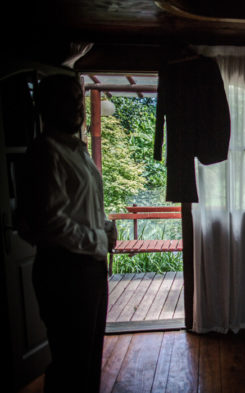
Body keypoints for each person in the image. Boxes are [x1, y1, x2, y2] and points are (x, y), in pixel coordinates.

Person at [18, 74, 117, 393]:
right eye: (69, 98)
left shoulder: (78, 151)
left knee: (88, 359)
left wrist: (105, 224)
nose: (78, 105)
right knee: (71, 364)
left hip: (88, 267)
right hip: (65, 272)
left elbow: (83, 205)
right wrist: (100, 239)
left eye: (79, 98)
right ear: (48, 106)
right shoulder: (46, 153)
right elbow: (50, 222)